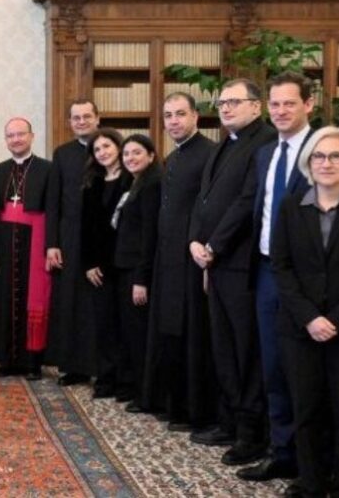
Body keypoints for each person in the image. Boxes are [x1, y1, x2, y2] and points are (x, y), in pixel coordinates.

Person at [271, 126, 339, 498]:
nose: (327, 163)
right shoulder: (289, 208)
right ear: (308, 163)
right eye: (319, 156)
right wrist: (311, 318)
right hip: (300, 330)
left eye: (336, 156)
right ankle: (312, 484)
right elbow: (281, 268)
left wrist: (337, 320)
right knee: (307, 411)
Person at [188, 78, 275, 464]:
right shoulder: (225, 142)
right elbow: (203, 199)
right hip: (216, 264)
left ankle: (251, 434)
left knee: (245, 351)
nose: (225, 108)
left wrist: (212, 246)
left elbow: (246, 202)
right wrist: (195, 240)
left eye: (234, 102)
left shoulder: (265, 143)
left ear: (257, 106)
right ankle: (229, 420)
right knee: (223, 347)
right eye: (221, 102)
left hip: (241, 264)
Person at [237, 71, 316, 484]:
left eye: (289, 103)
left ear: (309, 105)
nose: (281, 111)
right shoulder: (266, 153)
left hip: (308, 280)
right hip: (267, 272)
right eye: (275, 104)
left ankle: (310, 463)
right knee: (273, 367)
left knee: (305, 369)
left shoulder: (324, 151)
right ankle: (281, 452)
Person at [142, 92, 217, 432]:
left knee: (192, 335)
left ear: (195, 117)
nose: (173, 121)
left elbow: (207, 209)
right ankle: (174, 404)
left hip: (191, 260)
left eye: (180, 114)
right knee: (170, 331)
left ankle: (195, 411)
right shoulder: (172, 158)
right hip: (167, 259)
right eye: (168, 115)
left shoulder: (209, 155)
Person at [0, 117, 53, 379]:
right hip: (2, 243)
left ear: (32, 136)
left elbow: (54, 211)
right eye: (11, 136)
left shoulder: (47, 169)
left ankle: (32, 363)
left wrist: (51, 246)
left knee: (32, 299)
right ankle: (6, 360)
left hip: (35, 241)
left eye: (21, 134)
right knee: (4, 299)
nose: (16, 140)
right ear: (6, 140)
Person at [46, 100, 101, 386]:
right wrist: (52, 243)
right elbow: (53, 202)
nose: (81, 122)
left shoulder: (107, 149)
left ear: (97, 119)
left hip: (101, 238)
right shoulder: (62, 154)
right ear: (70, 122)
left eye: (86, 116)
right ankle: (73, 367)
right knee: (70, 302)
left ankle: (101, 366)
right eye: (76, 118)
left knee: (97, 302)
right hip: (68, 238)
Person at [78, 129, 129, 398]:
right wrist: (89, 264)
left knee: (126, 326)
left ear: (118, 147)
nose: (103, 153)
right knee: (104, 325)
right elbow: (87, 228)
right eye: (97, 150)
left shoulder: (132, 179)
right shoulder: (92, 182)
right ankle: (106, 378)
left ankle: (125, 381)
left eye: (107, 146)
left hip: (124, 264)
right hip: (98, 267)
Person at [112, 134, 161, 414]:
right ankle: (136, 389)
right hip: (126, 268)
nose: (130, 158)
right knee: (130, 334)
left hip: (137, 272)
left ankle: (147, 396)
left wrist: (141, 279)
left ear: (151, 156)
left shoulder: (152, 185)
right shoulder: (133, 184)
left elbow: (148, 236)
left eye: (137, 153)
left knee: (140, 336)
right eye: (127, 154)